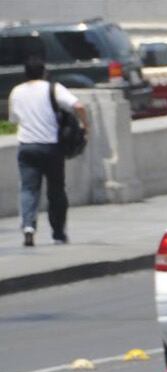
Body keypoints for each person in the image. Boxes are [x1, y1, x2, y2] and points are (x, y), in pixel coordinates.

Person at [7, 55, 84, 247]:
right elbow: (78, 105)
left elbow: (14, 120)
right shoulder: (53, 88)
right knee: (56, 190)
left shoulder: (16, 92)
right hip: (50, 146)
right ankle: (58, 233)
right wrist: (85, 125)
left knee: (28, 188)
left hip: (27, 146)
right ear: (44, 72)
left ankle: (28, 226)